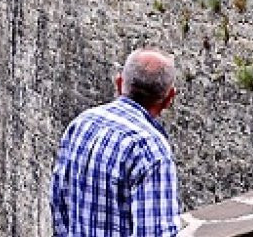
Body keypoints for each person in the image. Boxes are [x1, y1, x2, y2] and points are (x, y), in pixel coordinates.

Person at [50, 48, 180, 236]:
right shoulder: (151, 150)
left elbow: (59, 202)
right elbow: (156, 232)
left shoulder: (82, 123)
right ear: (169, 99)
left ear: (119, 83)